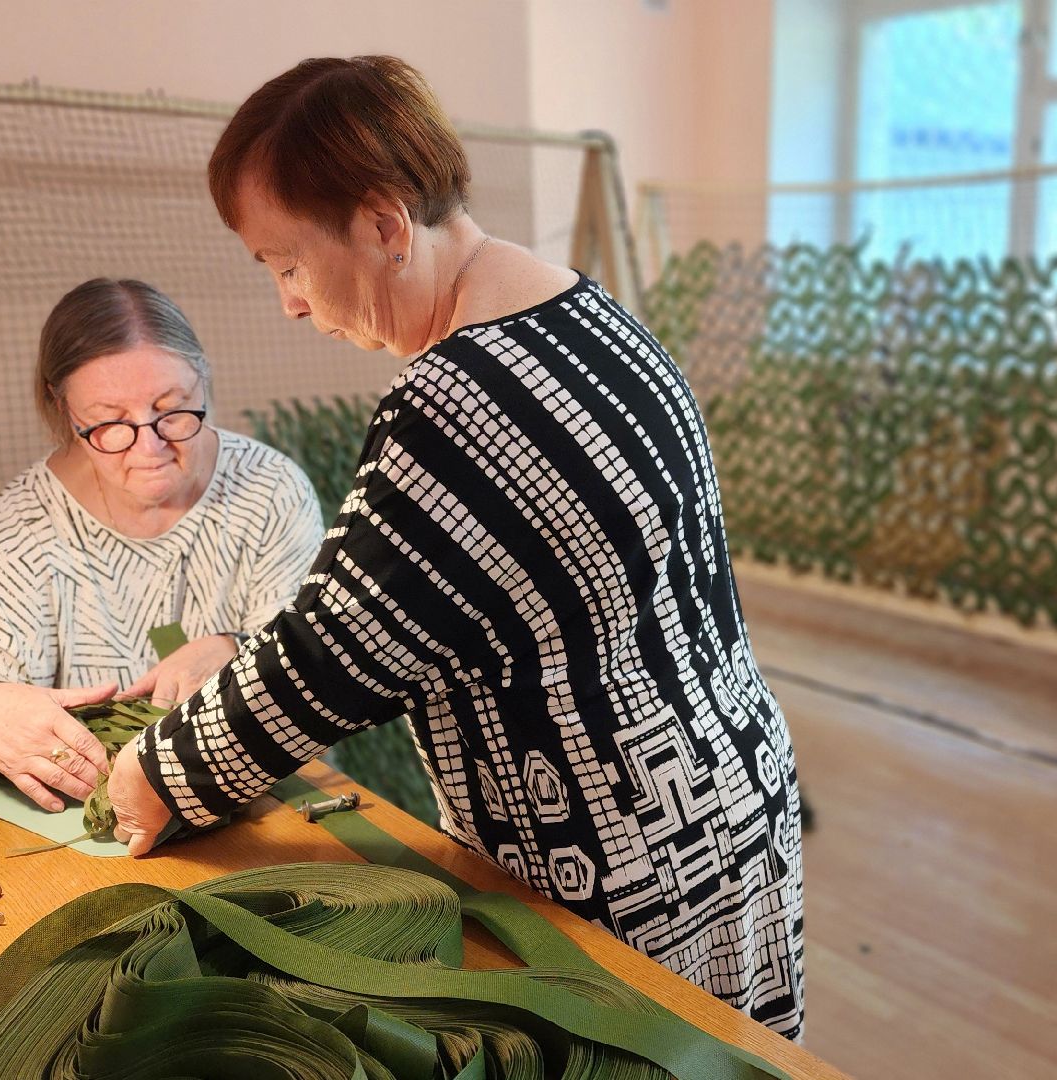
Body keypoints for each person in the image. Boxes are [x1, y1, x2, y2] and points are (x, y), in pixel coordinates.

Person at [105, 55, 805, 1038]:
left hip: (625, 862)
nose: (290, 303)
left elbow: (331, 658)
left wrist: (157, 771)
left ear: (385, 225)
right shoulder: (587, 312)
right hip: (731, 797)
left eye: (288, 264)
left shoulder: (455, 398)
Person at [0, 278, 323, 812]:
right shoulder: (26, 526)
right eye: (110, 423)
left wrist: (237, 648)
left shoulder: (268, 490)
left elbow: (318, 690)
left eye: (173, 409)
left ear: (203, 381)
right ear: (63, 408)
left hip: (253, 807)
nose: (149, 448)